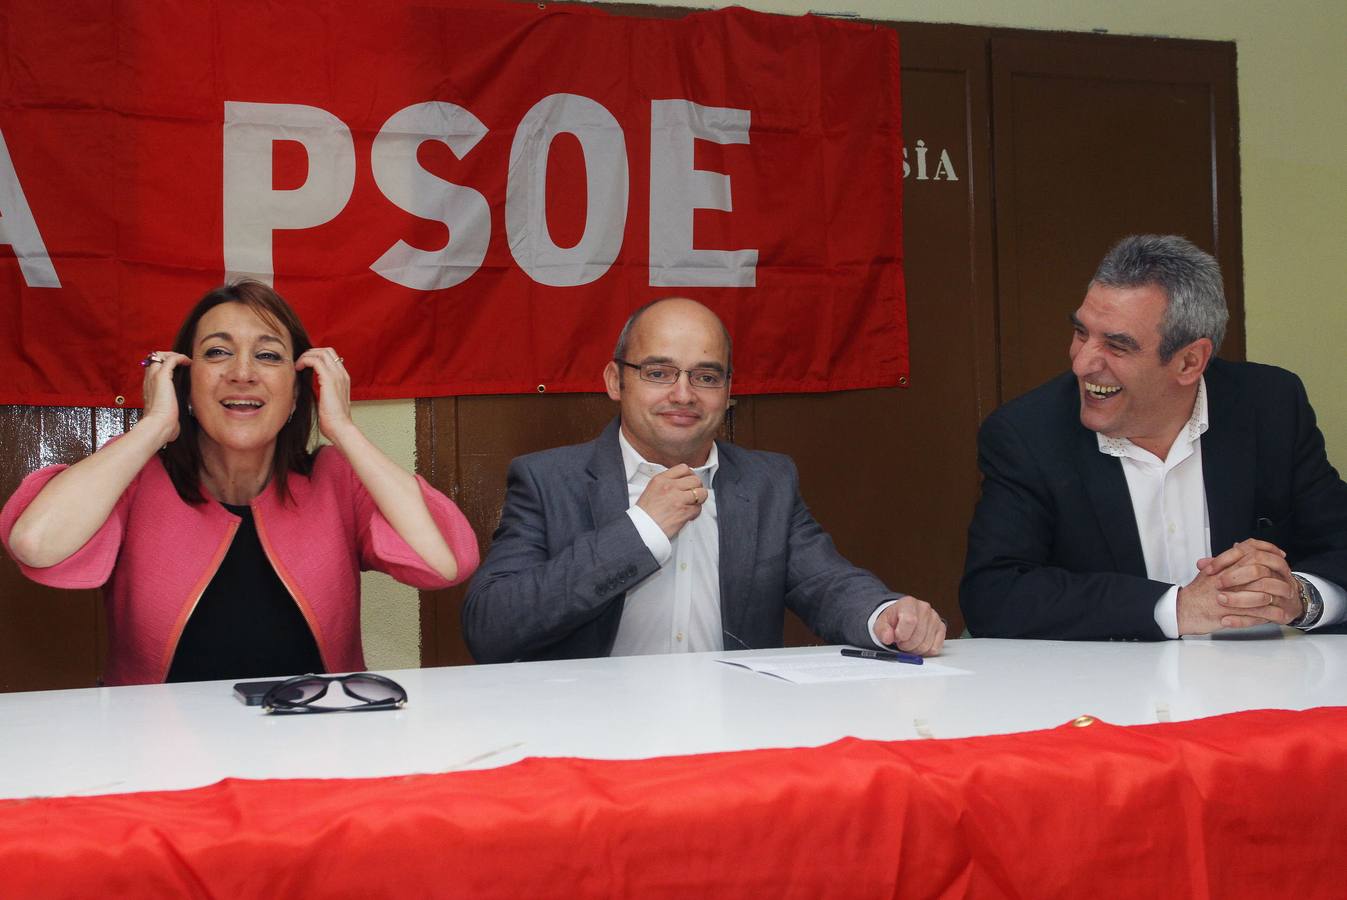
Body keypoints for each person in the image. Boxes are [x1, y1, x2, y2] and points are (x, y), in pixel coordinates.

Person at [0, 281, 479, 684]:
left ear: (297, 393)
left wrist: (345, 430)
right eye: (217, 352)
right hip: (152, 758)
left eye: (268, 355)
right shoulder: (136, 479)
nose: (243, 373)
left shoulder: (335, 479)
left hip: (317, 749)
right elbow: (36, 543)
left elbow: (444, 563)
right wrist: (152, 428)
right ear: (186, 386)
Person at [462, 296, 945, 663]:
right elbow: (492, 625)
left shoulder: (766, 481)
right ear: (615, 381)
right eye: (658, 372)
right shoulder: (548, 480)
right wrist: (643, 530)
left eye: (707, 377)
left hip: (731, 735)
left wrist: (886, 615)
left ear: (729, 391)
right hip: (595, 740)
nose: (683, 394)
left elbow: (826, 582)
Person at [960, 234, 1347, 640]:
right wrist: (1176, 608)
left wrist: (1300, 597)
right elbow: (994, 594)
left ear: (1189, 361)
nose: (1082, 362)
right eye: (1081, 333)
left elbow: (1337, 541)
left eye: (1116, 345)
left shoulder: (1269, 406)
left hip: (1254, 687)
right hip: (1102, 692)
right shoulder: (1026, 433)